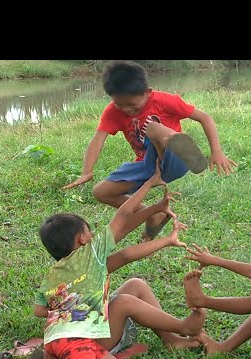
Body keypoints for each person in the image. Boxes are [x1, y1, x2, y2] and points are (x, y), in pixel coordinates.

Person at [0, 168, 207, 359]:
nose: (93, 236)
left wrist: (164, 235)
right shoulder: (91, 253)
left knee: (136, 284)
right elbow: (124, 214)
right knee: (124, 303)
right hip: (84, 339)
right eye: (90, 232)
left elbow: (38, 310)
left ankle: (171, 340)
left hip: (56, 336)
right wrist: (150, 184)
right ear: (82, 239)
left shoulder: (55, 273)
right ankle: (183, 327)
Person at [63, 60, 237, 241]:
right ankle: (155, 215)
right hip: (149, 167)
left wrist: (216, 151)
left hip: (175, 159)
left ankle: (180, 144)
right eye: (119, 104)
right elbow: (98, 138)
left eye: (131, 104)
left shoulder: (164, 100)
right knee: (101, 192)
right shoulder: (112, 112)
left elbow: (204, 117)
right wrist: (86, 171)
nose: (126, 110)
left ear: (148, 92)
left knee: (152, 128)